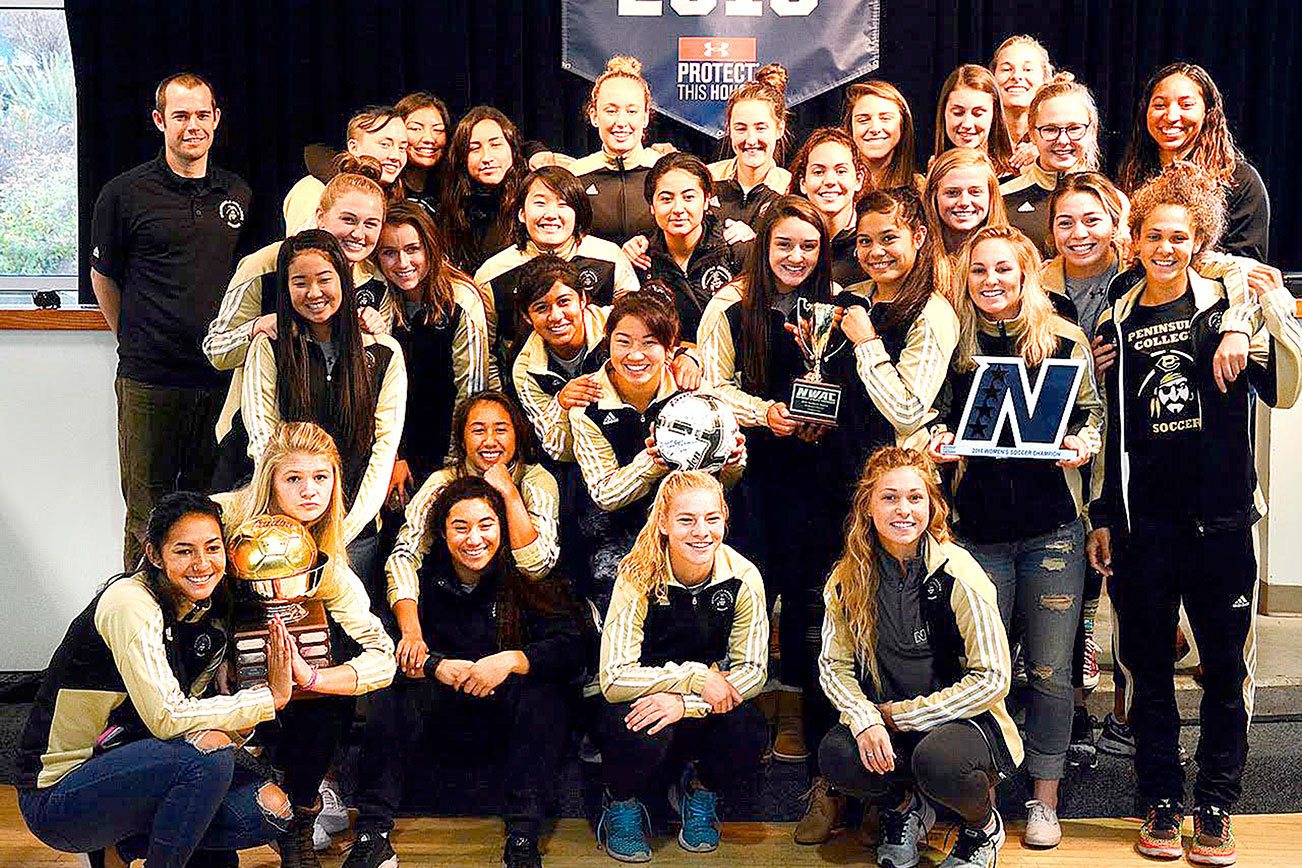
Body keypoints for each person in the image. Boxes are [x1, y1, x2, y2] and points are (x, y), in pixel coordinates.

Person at [1087, 162, 1301, 865]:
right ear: (1136, 240)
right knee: (1147, 671)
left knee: (1225, 673)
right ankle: (1159, 799)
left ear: (1199, 241)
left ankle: (1215, 803)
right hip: (1142, 527)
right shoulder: (1116, 315)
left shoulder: (1228, 307)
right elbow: (1109, 426)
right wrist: (1103, 514)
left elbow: (1285, 391)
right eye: (1154, 235)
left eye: (1179, 236)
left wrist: (1264, 317)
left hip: (1221, 526)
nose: (1166, 247)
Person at [928, 225, 1101, 849]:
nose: (991, 280)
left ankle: (1044, 798)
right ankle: (981, 799)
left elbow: (1094, 416)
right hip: (974, 537)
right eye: (979, 270)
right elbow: (930, 414)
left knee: (1052, 673)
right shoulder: (953, 343)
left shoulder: (1065, 339)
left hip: (1052, 533)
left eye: (1004, 268)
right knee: (983, 671)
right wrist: (935, 440)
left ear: (1027, 274)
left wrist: (1085, 441)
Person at [17, 492, 293, 868]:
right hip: (60, 795)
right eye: (184, 551)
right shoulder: (129, 602)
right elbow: (167, 718)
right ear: (154, 554)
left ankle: (120, 849)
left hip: (140, 770)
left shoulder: (206, 613)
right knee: (208, 755)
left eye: (212, 548)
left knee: (269, 810)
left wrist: (243, 713)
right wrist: (268, 699)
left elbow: (190, 725)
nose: (202, 564)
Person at [346, 476, 585, 868]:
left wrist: (511, 660)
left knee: (546, 696)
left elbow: (572, 647)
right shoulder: (422, 578)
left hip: (507, 714)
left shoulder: (525, 575)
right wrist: (435, 666)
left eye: (485, 525)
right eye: (461, 527)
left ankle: (523, 838)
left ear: (501, 527)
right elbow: (384, 646)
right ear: (443, 532)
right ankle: (373, 834)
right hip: (442, 710)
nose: (474, 538)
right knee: (390, 693)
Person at [697, 195, 839, 819]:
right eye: (784, 244)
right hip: (750, 477)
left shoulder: (837, 307)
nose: (796, 256)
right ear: (763, 246)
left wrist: (820, 416)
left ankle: (806, 733)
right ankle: (737, 728)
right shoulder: (729, 306)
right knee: (746, 604)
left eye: (809, 246)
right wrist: (765, 414)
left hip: (818, 479)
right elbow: (712, 387)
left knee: (812, 610)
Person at [819, 447, 1022, 868]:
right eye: (889, 497)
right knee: (837, 753)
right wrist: (865, 717)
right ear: (868, 506)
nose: (903, 510)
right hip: (887, 716)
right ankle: (903, 808)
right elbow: (833, 666)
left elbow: (993, 678)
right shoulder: (847, 578)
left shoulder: (959, 572)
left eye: (915, 497)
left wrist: (904, 715)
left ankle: (982, 829)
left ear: (932, 505)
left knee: (939, 761)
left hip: (963, 724)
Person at [214, 421, 397, 867]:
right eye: (293, 478)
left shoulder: (324, 561)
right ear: (270, 480)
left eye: (321, 477)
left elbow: (382, 655)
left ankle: (298, 816)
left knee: (328, 695)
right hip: (205, 667)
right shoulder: (220, 516)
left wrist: (313, 677)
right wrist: (216, 657)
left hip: (283, 682)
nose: (309, 491)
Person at [90, 71, 252, 570]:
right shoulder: (124, 194)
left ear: (216, 119)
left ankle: (203, 618)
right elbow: (103, 277)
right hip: (150, 380)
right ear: (160, 121)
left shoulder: (238, 193)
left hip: (220, 380)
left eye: (202, 115)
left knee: (213, 511)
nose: (193, 126)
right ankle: (137, 615)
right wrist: (134, 339)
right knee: (148, 516)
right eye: (181, 116)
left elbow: (250, 279)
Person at [595, 471, 769, 862]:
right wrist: (694, 676)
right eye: (686, 520)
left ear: (725, 518)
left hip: (700, 703)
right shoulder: (637, 574)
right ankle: (620, 801)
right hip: (641, 696)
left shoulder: (743, 576)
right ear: (664, 523)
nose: (701, 532)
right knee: (638, 728)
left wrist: (685, 703)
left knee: (749, 729)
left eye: (711, 518)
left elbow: (754, 671)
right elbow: (614, 678)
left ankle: (699, 792)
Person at [240, 231, 407, 585]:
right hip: (281, 528)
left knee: (352, 615)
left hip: (355, 529)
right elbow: (263, 442)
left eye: (325, 279)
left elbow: (383, 449)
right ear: (286, 288)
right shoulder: (269, 347)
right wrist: (292, 523)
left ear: (344, 280)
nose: (314, 293)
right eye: (300, 282)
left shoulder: (384, 352)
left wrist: (344, 527)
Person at [205, 158, 393, 472]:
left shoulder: (377, 283)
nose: (358, 233)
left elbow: (382, 378)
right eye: (348, 219)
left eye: (370, 224)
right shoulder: (263, 266)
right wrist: (256, 327)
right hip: (255, 444)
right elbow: (215, 350)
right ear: (321, 216)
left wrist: (377, 331)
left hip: (339, 451)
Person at [571, 291, 745, 615]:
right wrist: (653, 461)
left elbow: (726, 483)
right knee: (617, 592)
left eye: (649, 343)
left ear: (669, 349)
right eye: (623, 342)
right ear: (608, 343)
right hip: (617, 529)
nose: (635, 355)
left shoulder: (693, 391)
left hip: (687, 524)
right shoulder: (587, 404)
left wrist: (732, 462)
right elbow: (604, 494)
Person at [387, 389, 561, 608]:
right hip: (451, 601)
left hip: (520, 604)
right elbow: (405, 555)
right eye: (478, 430)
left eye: (501, 430)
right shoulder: (443, 481)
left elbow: (537, 566)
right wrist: (410, 625)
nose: (489, 441)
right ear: (462, 439)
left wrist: (509, 492)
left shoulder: (536, 480)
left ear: (517, 435)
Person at [475, 165, 638, 379]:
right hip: (525, 385)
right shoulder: (493, 273)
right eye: (540, 203)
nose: (551, 215)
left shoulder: (609, 257)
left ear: (577, 212)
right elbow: (485, 354)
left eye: (563, 204)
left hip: (605, 383)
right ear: (522, 213)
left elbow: (636, 326)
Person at [377, 201, 490, 496]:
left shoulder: (460, 299)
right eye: (389, 252)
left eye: (412, 249)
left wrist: (452, 467)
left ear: (430, 247)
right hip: (394, 444)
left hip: (448, 442)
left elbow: (471, 392)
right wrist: (393, 456)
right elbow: (376, 390)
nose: (402, 263)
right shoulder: (379, 298)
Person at [1117, 62, 1270, 261]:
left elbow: (1247, 265)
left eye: (1186, 105)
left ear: (1208, 113)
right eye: (1160, 105)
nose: (1171, 116)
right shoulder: (1131, 174)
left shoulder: (1239, 181)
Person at [623, 152, 750, 338]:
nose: (678, 209)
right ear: (652, 206)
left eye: (689, 197)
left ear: (706, 200)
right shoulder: (640, 259)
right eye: (666, 199)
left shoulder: (734, 250)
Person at [1000, 74, 1103, 258]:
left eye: (1074, 129)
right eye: (1050, 129)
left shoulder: (1112, 200)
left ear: (1091, 130)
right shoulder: (1002, 198)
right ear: (1032, 134)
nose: (1063, 140)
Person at [568, 55, 663, 244]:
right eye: (611, 111)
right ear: (594, 116)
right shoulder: (575, 176)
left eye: (632, 111)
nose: (621, 122)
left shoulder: (665, 172)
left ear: (645, 117)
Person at [283, 106, 408, 235]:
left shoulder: (397, 199)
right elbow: (303, 245)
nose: (396, 156)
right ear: (354, 147)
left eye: (402, 148)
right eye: (385, 144)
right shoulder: (313, 189)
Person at [438, 106, 527, 273]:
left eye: (495, 145)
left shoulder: (531, 198)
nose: (486, 157)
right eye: (474, 148)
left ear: (512, 148)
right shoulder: (451, 208)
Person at [709, 63, 793, 227]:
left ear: (779, 129)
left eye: (760, 128)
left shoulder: (790, 188)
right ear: (729, 130)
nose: (751, 140)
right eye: (741, 128)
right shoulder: (707, 178)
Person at [922, 147, 1009, 290]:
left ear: (991, 196)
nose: (964, 202)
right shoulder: (916, 257)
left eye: (975, 192)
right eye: (952, 193)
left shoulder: (1014, 254)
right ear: (934, 196)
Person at [790, 127, 868, 286]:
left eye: (841, 171)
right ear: (803, 182)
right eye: (818, 172)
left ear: (858, 179)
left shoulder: (871, 236)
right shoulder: (786, 236)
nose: (830, 181)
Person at [932, 65, 1015, 177]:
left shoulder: (1016, 175)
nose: (967, 124)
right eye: (958, 113)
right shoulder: (932, 175)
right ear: (944, 112)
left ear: (994, 114)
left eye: (978, 114)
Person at [843, 80, 923, 194]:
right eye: (863, 120)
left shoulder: (920, 189)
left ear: (902, 125)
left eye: (885, 118)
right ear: (850, 127)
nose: (875, 128)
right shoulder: (836, 186)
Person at [990, 35, 1053, 154]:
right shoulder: (979, 133)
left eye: (1027, 69)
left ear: (1045, 79)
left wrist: (1044, 155)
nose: (1016, 76)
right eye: (1007, 69)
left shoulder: (1059, 137)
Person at [396, 91, 452, 213]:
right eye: (416, 128)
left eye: (438, 130)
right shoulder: (383, 187)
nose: (429, 139)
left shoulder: (452, 188)